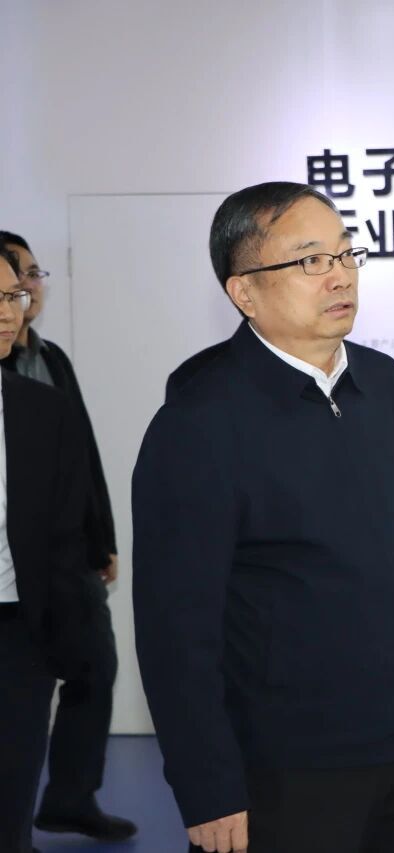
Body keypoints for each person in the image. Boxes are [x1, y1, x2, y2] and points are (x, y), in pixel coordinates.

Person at [132, 181, 394, 853]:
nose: (340, 275)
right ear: (245, 292)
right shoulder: (198, 423)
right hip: (285, 767)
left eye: (346, 254)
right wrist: (207, 783)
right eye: (310, 260)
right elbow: (176, 629)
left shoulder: (391, 387)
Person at [0, 230, 134, 842]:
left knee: (89, 672)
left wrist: (99, 539)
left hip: (32, 599)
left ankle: (69, 799)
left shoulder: (44, 380)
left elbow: (81, 465)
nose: (17, 303)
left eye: (19, 290)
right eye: (9, 288)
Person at [0, 248, 94, 853]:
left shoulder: (42, 410)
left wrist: (65, 639)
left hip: (18, 633)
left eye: (13, 296)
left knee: (11, 802)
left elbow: (64, 534)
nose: (9, 312)